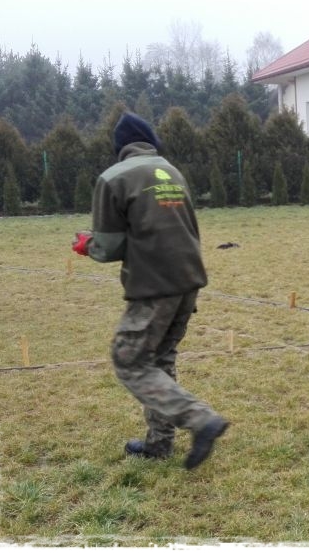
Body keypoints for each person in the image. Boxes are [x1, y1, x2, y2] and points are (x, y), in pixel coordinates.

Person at [72, 111, 229, 470]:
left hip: (153, 284)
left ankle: (200, 418)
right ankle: (159, 445)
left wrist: (87, 244)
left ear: (120, 148)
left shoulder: (113, 177)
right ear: (151, 143)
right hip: (188, 279)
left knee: (129, 360)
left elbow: (109, 247)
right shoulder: (172, 172)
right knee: (160, 359)